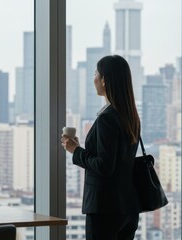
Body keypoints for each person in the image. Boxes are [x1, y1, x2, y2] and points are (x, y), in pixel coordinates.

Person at [61, 55, 141, 240]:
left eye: (96, 73)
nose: (94, 78)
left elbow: (105, 166)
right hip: (128, 207)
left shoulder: (107, 118)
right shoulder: (131, 116)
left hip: (105, 208)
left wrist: (76, 151)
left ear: (104, 80)